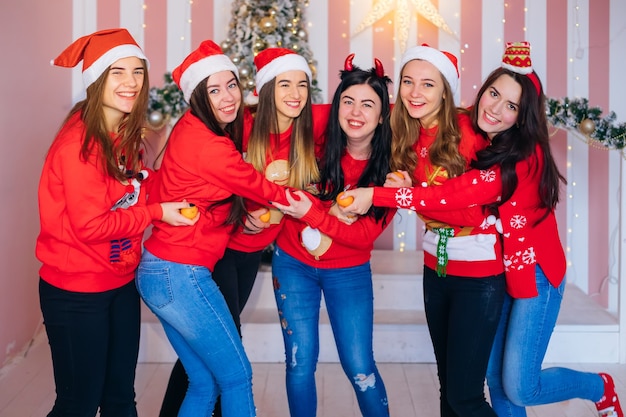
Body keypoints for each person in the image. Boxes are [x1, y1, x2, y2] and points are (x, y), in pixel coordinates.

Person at [342, 42, 623, 417]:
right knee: (492, 383)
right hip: (495, 264)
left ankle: (598, 387)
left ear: (523, 116)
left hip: (533, 271)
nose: (495, 107)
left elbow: (459, 196)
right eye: (493, 94)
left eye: (511, 105)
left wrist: (384, 195)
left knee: (519, 385)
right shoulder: (479, 134)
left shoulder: (521, 156)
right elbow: (361, 108)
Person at [157, 47, 329, 417]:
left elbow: (356, 110)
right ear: (265, 89)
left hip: (250, 250)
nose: (294, 93)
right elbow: (239, 179)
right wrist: (248, 212)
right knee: (221, 354)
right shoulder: (240, 125)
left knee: (214, 356)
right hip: (217, 250)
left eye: (302, 84)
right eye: (284, 84)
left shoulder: (308, 126)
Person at [36, 28, 197, 417]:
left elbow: (135, 188)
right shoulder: (79, 145)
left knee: (121, 399)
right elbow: (91, 226)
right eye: (117, 72)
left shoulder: (122, 133)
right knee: (78, 402)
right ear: (96, 80)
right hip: (76, 292)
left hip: (120, 282)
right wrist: (157, 213)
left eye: (137, 72)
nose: (131, 83)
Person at [342, 44, 506, 417]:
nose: (415, 93)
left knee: (466, 397)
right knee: (449, 389)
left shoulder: (470, 131)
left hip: (479, 274)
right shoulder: (405, 129)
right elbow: (350, 108)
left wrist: (398, 193)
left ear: (445, 90)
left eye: (428, 85)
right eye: (407, 82)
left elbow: (469, 209)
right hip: (437, 268)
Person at [270, 54, 395, 417]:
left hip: (349, 272)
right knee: (299, 364)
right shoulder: (313, 138)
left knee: (360, 368)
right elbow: (273, 117)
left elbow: (362, 238)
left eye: (368, 104)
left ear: (383, 115)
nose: (356, 112)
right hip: (292, 264)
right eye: (348, 101)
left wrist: (312, 212)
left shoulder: (391, 172)